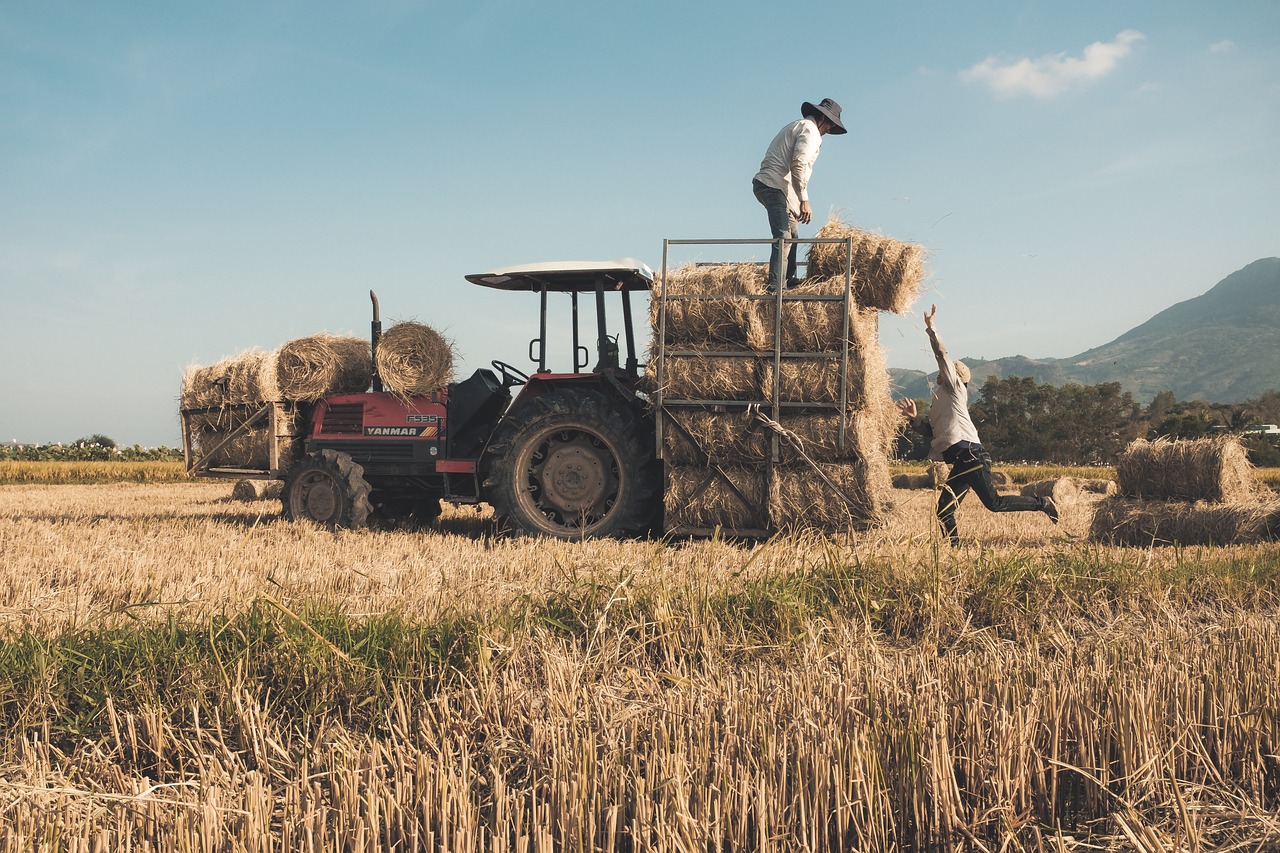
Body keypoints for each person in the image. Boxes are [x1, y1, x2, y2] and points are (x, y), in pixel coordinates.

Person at [897, 304, 1059, 545]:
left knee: (995, 503)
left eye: (948, 371)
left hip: (970, 456)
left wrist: (931, 329)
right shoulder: (940, 401)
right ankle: (955, 548)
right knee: (944, 510)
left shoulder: (954, 389)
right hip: (963, 459)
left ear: (955, 376)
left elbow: (942, 356)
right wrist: (915, 419)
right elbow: (930, 433)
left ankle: (1042, 503)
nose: (940, 372)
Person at [752, 98, 846, 292]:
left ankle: (789, 278)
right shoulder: (810, 131)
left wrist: (795, 205)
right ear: (822, 117)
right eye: (829, 124)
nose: (829, 129)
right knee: (783, 236)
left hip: (780, 188)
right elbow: (798, 164)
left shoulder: (800, 126)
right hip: (773, 185)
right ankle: (775, 288)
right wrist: (804, 200)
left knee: (793, 232)